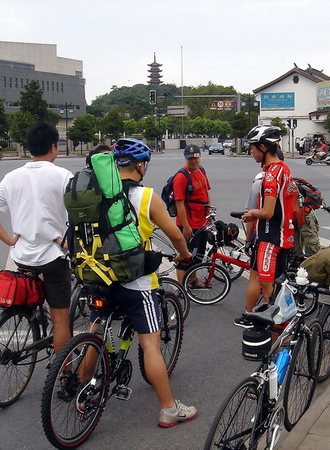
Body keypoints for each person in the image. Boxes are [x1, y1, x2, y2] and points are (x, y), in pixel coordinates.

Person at [108, 138, 197, 427]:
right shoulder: (146, 197)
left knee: (96, 329)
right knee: (151, 344)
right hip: (136, 279)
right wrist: (184, 255)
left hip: (98, 274)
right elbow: (175, 234)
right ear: (140, 165)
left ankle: (82, 381)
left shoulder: (98, 193)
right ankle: (169, 408)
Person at [0, 122, 73, 354]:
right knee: (61, 320)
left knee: (33, 296)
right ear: (54, 147)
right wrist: (65, 242)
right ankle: (63, 376)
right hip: (53, 257)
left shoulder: (12, 176)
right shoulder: (63, 176)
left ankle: (34, 316)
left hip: (22, 256)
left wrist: (10, 240)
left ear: (29, 147)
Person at [235, 125, 295, 328]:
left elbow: (267, 212)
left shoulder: (270, 176)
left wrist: (252, 213)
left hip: (270, 238)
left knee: (268, 289)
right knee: (269, 283)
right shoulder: (284, 170)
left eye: (252, 147)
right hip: (282, 235)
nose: (250, 151)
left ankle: (275, 335)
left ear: (262, 147)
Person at [173, 144, 211, 284]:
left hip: (202, 221)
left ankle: (193, 280)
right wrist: (186, 226)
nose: (193, 161)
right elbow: (179, 203)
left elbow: (206, 193)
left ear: (199, 157)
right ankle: (182, 289)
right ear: (185, 158)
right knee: (186, 256)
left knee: (198, 255)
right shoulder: (181, 177)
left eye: (195, 157)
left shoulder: (201, 170)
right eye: (190, 158)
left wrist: (209, 213)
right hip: (189, 223)